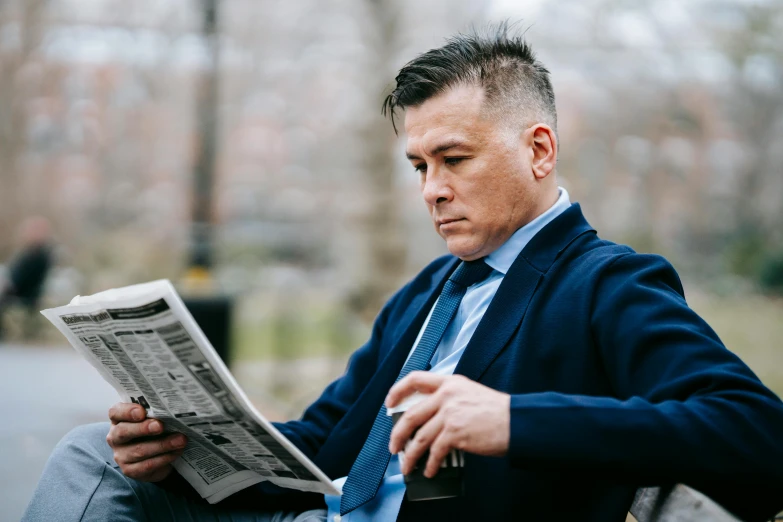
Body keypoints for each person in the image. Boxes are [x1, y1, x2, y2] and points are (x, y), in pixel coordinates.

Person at [23, 24, 783, 522]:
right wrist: (185, 444)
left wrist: (511, 421)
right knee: (98, 455)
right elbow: (322, 443)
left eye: (454, 159)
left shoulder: (608, 285)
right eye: (419, 165)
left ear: (539, 150)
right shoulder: (428, 291)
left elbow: (759, 437)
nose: (431, 189)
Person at [0, 217, 54, 340]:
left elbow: (21, 280)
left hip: (25, 296)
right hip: (15, 292)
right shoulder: (29, 253)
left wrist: (7, 285)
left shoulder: (39, 255)